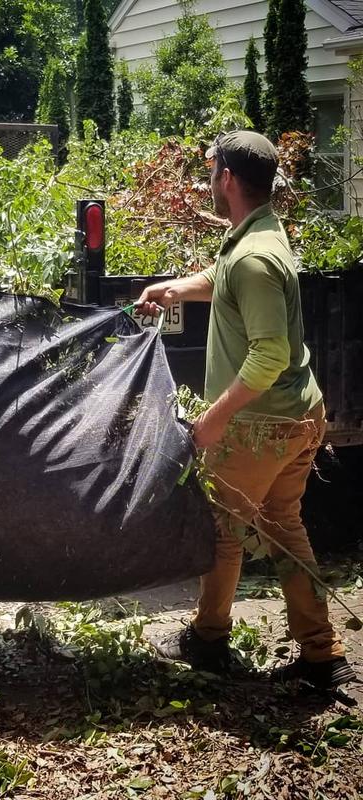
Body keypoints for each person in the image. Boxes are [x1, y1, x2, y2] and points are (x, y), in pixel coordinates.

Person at [136, 130, 355, 690]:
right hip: (296, 416)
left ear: (227, 179)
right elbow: (224, 282)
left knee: (222, 531)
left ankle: (207, 642)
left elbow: (269, 353)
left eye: (211, 172)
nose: (208, 181)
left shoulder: (255, 257)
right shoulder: (256, 235)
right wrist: (176, 290)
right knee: (284, 526)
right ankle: (320, 652)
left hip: (261, 428)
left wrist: (216, 416)